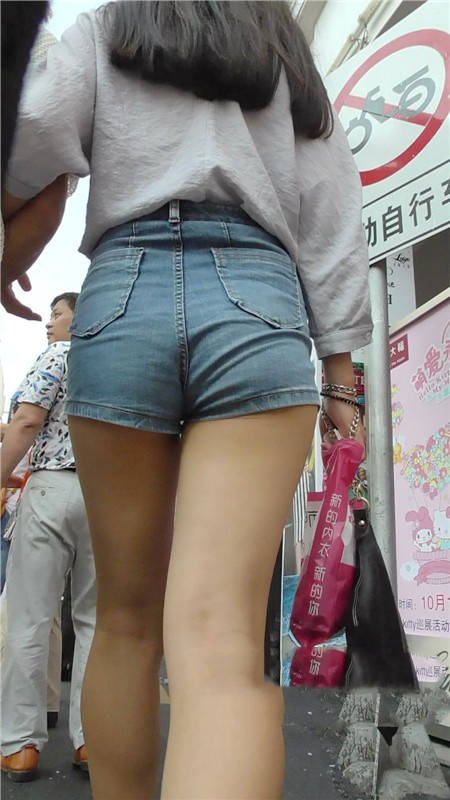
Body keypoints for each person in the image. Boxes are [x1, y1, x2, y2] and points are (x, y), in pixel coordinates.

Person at [2, 3, 372, 798]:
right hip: (257, 293)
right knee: (221, 639)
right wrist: (341, 371)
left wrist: (10, 237)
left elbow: (28, 127)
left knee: (125, 623)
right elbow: (331, 203)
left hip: (122, 294)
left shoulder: (109, 28)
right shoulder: (281, 46)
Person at [0, 293, 96, 782]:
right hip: (109, 493)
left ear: (80, 318)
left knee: (30, 618)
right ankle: (91, 740)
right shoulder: (115, 357)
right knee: (95, 622)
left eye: (58, 314)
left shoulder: (60, 354)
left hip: (51, 489)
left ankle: (21, 745)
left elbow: (28, 419)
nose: (50, 322)